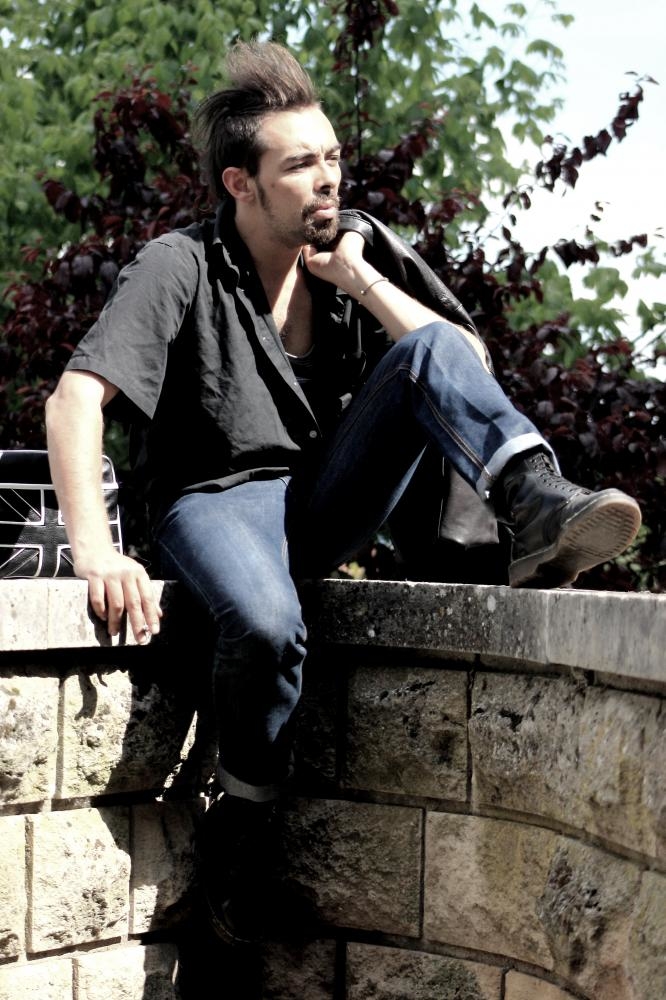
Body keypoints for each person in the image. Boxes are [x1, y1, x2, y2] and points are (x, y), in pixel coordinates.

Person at [45, 40, 641, 945]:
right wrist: (95, 550)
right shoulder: (178, 266)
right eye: (300, 166)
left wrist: (360, 281)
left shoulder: (349, 253)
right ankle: (242, 825)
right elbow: (75, 398)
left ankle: (536, 501)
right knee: (267, 626)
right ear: (241, 184)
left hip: (323, 498)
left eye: (331, 157)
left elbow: (462, 366)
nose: (327, 178)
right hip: (214, 501)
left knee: (427, 347)